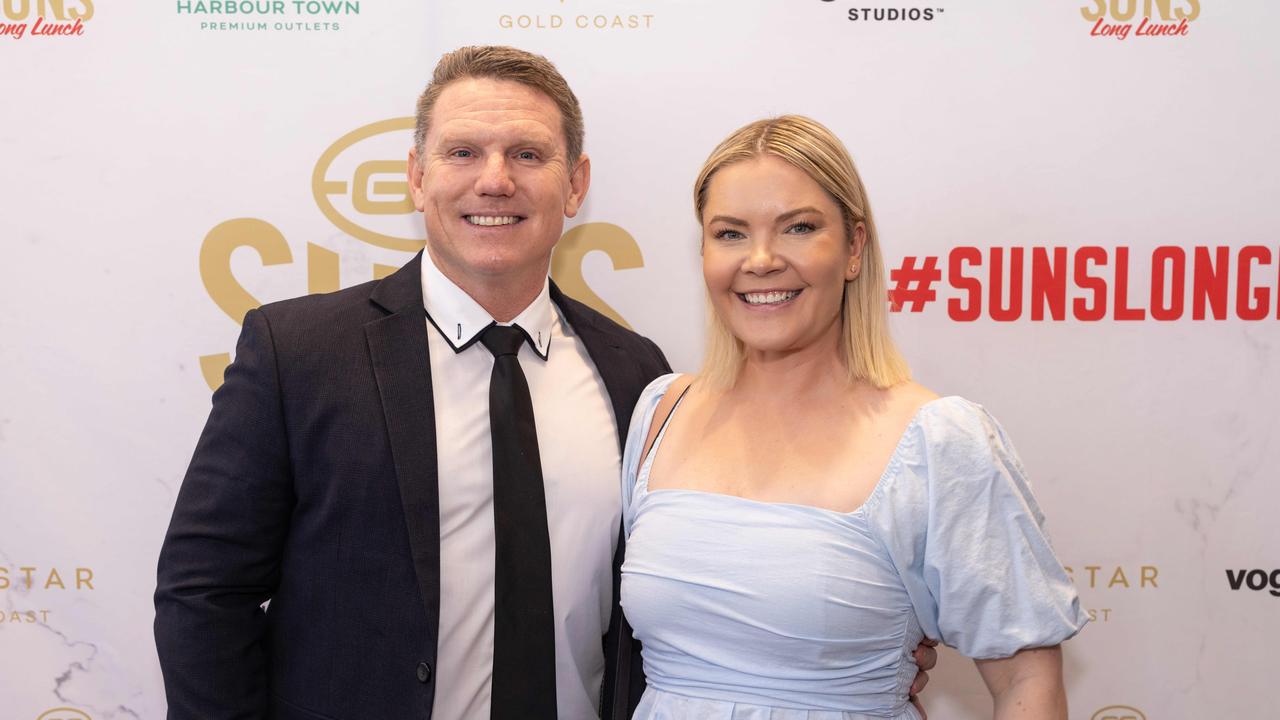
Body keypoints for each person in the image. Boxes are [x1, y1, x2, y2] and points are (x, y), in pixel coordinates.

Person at [154, 47, 936, 719]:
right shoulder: (299, 353)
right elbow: (202, 592)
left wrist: (860, 628)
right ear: (416, 178)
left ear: (574, 184)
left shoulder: (641, 377)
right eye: (463, 153)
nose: (495, 181)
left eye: (527, 155)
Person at [619, 115, 1087, 720]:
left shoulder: (939, 439)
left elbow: (1027, 682)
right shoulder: (662, 410)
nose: (760, 260)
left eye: (799, 228)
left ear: (853, 249)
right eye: (730, 233)